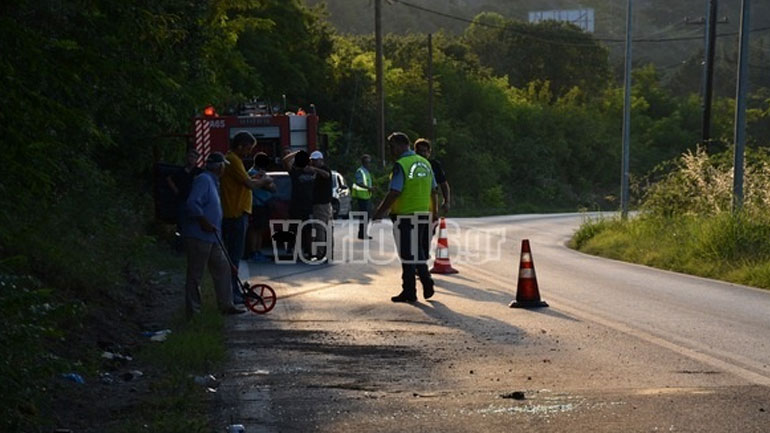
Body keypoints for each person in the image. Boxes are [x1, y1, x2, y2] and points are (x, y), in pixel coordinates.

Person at [373, 132, 436, 303]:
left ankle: (409, 291)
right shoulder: (425, 163)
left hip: (405, 216)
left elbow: (395, 191)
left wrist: (379, 211)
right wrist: (434, 213)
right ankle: (427, 282)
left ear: (401, 145)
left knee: (408, 254)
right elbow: (433, 190)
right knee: (418, 252)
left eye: (392, 146)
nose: (391, 150)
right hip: (423, 214)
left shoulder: (401, 165)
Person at [182, 152, 246, 318]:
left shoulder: (214, 181)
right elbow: (192, 203)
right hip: (199, 235)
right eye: (223, 166)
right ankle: (193, 312)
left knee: (223, 268)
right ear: (219, 167)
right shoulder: (204, 180)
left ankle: (227, 304)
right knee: (196, 274)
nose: (224, 168)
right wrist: (203, 221)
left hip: (213, 237)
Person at [220, 131, 271, 304]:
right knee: (234, 257)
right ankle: (232, 294)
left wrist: (253, 177)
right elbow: (249, 185)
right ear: (240, 145)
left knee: (235, 256)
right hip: (234, 213)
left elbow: (244, 179)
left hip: (237, 213)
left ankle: (233, 292)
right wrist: (264, 181)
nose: (249, 152)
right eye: (248, 148)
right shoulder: (233, 160)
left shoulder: (235, 160)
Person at [281, 149, 319, 260]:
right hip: (296, 205)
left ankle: (310, 251)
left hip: (309, 205)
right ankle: (291, 248)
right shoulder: (295, 172)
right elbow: (285, 161)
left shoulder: (313, 172)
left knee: (309, 229)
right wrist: (298, 152)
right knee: (294, 228)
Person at [246, 152, 275, 263]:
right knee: (254, 229)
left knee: (260, 230)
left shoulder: (262, 173)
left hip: (264, 205)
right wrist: (265, 180)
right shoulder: (252, 173)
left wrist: (266, 180)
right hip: (256, 205)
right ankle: (253, 252)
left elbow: (272, 187)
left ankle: (258, 251)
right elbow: (266, 184)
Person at [166, 148, 202, 237]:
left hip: (194, 201)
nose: (191, 159)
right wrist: (175, 190)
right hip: (182, 199)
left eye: (194, 157)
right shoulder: (180, 171)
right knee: (181, 223)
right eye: (190, 156)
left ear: (197, 160)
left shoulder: (199, 172)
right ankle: (180, 241)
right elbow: (169, 178)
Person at [414, 138, 450, 221]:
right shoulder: (411, 165)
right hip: (412, 207)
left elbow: (444, 184)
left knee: (427, 232)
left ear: (429, 152)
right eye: (419, 151)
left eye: (425, 151)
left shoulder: (434, 165)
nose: (422, 154)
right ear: (415, 152)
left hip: (429, 206)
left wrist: (446, 201)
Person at [309, 150, 332, 260]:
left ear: (320, 160)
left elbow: (326, 175)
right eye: (312, 161)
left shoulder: (324, 170)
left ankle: (320, 253)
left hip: (321, 204)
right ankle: (326, 252)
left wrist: (315, 169)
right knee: (323, 228)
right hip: (321, 204)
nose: (313, 163)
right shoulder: (317, 172)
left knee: (320, 228)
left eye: (314, 161)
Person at [351, 154, 375, 240]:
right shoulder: (360, 171)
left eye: (369, 162)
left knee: (367, 216)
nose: (369, 164)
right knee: (364, 216)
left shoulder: (366, 171)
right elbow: (359, 183)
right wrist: (369, 188)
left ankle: (363, 233)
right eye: (367, 162)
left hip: (367, 197)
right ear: (363, 163)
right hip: (362, 197)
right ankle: (362, 234)